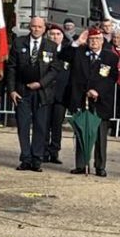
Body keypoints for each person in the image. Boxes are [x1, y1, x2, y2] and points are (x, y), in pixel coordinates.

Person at [59, 28, 116, 176]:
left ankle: (100, 166)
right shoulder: (79, 53)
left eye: (97, 39)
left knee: (100, 136)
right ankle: (81, 164)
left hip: (100, 101)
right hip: (81, 99)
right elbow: (63, 55)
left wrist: (98, 91)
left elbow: (111, 78)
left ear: (102, 41)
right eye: (91, 39)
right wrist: (78, 42)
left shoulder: (110, 57)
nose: (94, 42)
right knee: (81, 133)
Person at [6, 16, 57, 171]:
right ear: (30, 27)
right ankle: (26, 158)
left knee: (40, 126)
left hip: (42, 92)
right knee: (23, 125)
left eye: (39, 27)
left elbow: (54, 70)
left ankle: (37, 159)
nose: (36, 29)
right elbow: (11, 67)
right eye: (33, 26)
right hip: (22, 91)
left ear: (44, 28)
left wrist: (40, 84)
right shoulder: (19, 42)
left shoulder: (51, 46)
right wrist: (12, 89)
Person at [43, 23, 70, 164]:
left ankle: (54, 151)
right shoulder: (44, 49)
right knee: (44, 123)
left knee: (57, 125)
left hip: (61, 94)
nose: (55, 37)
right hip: (46, 93)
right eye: (52, 34)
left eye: (58, 34)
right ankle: (43, 151)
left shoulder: (66, 51)